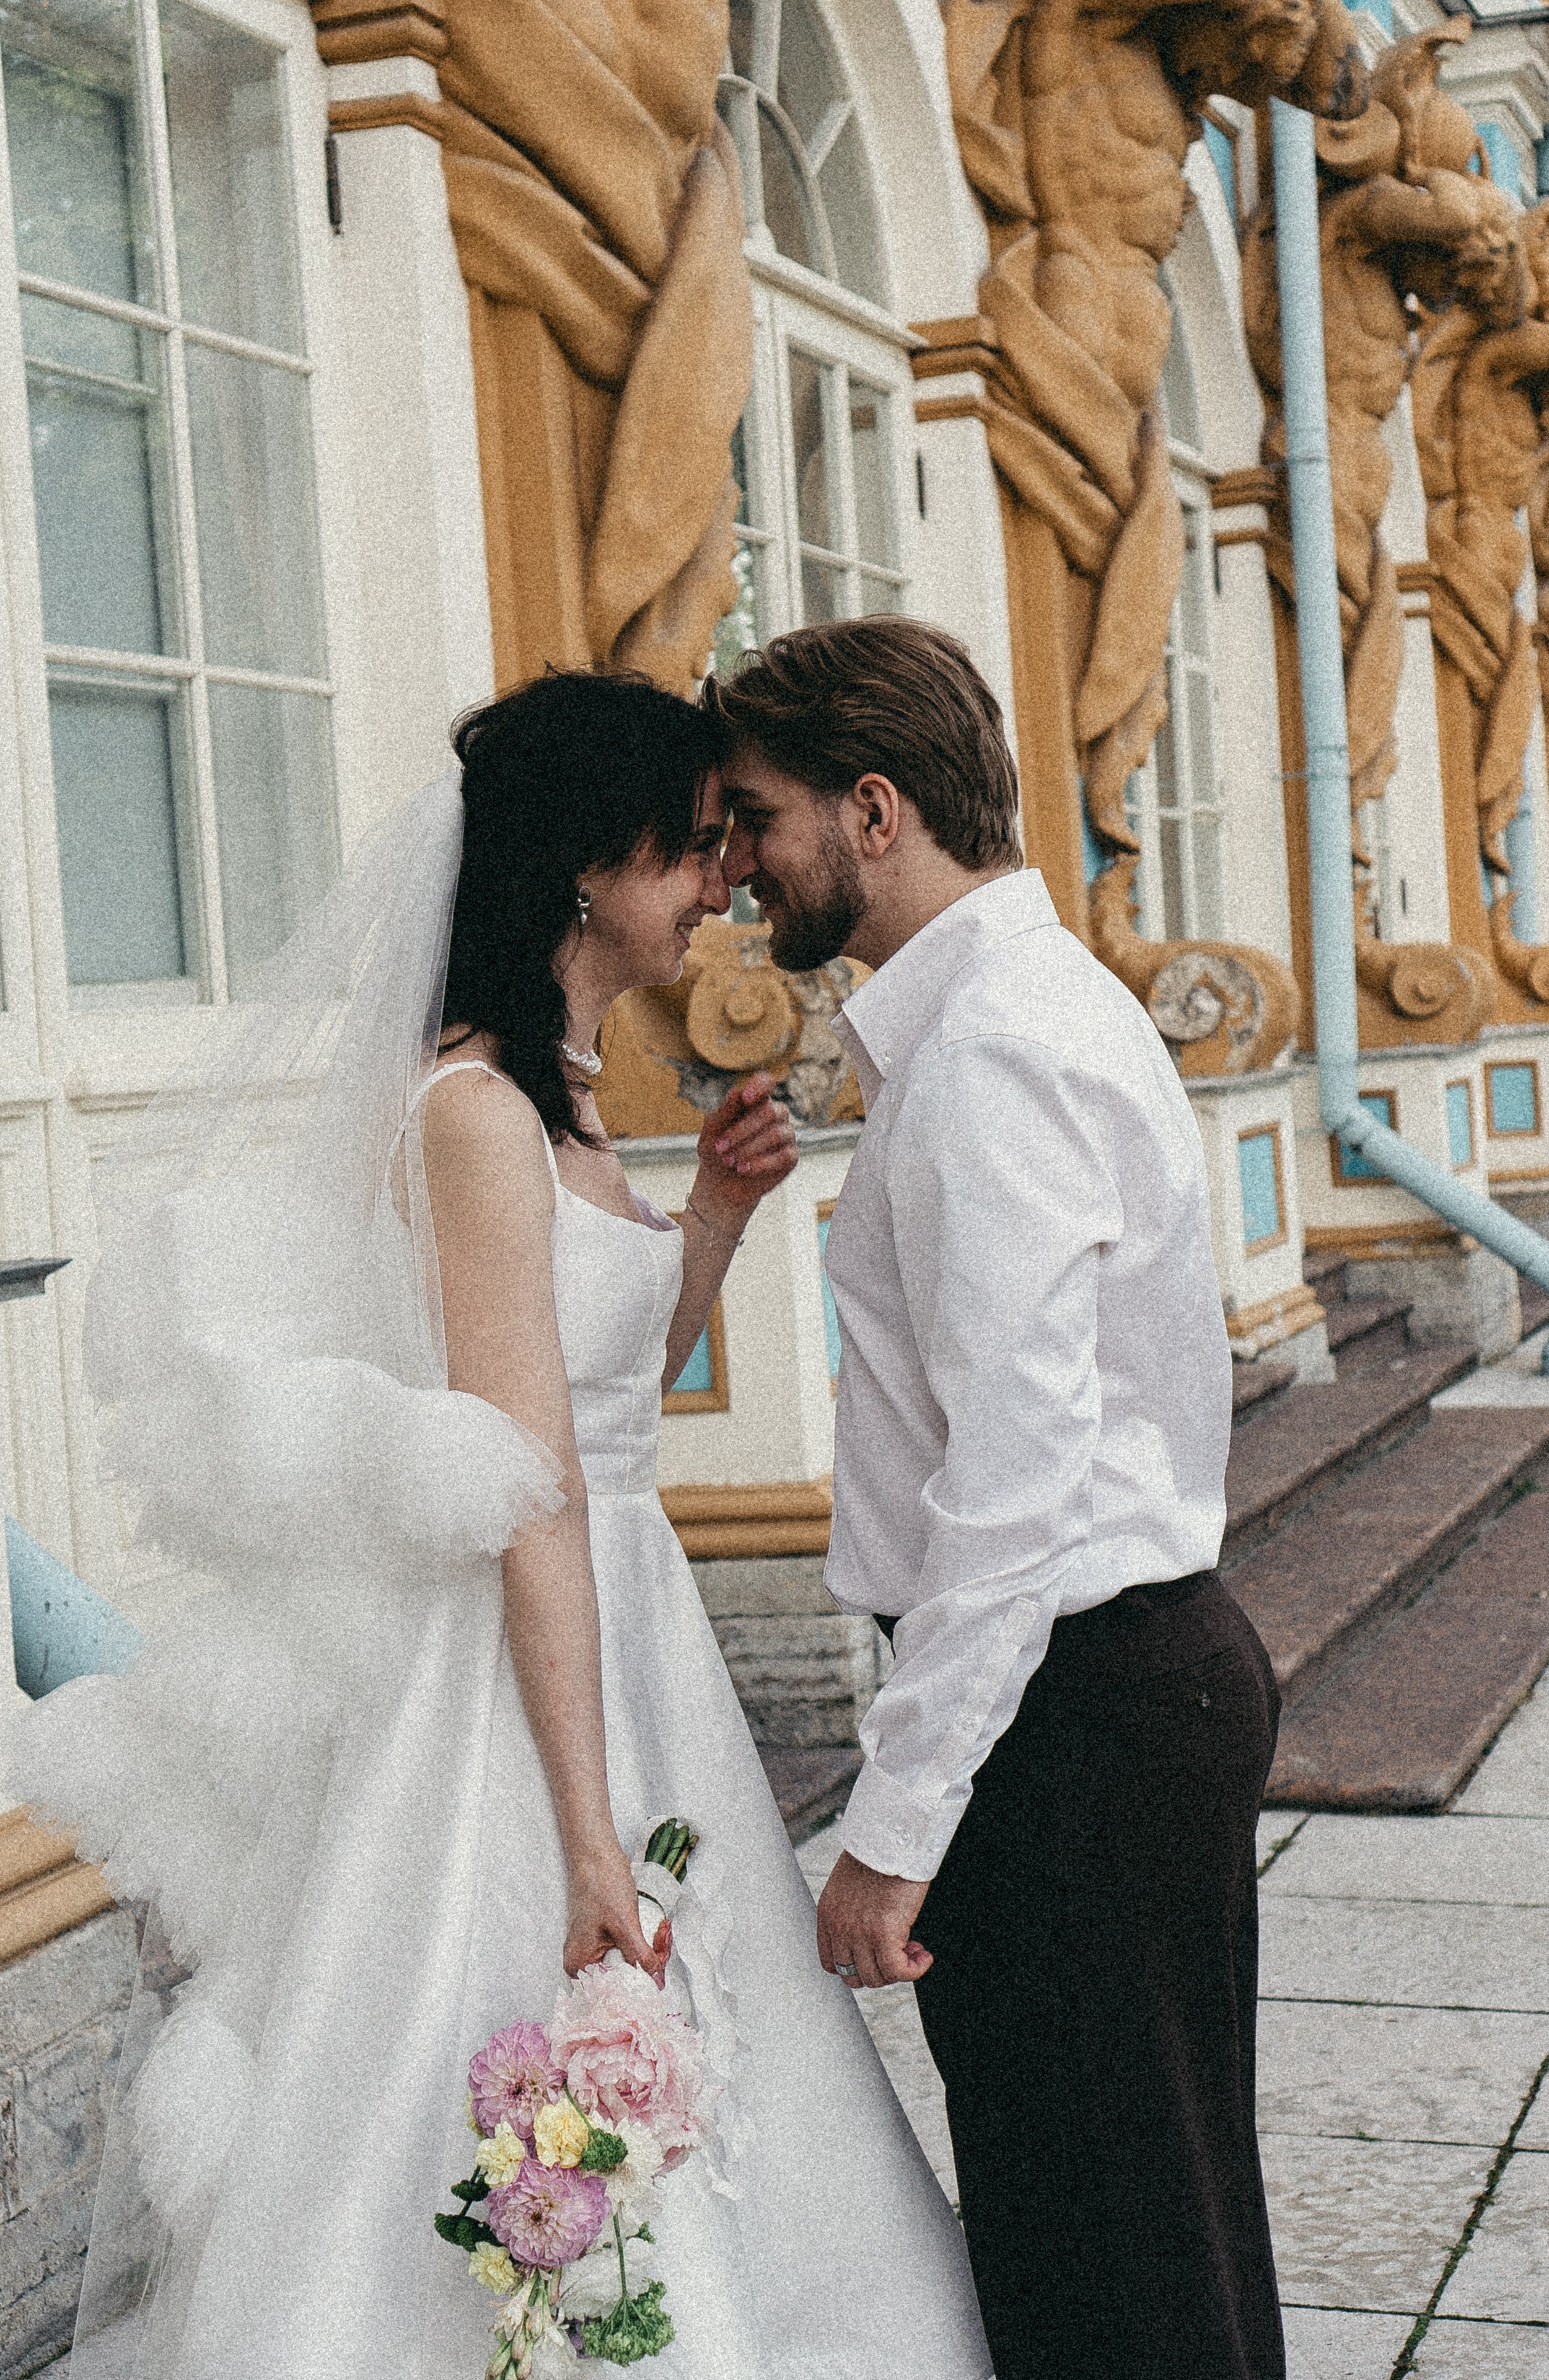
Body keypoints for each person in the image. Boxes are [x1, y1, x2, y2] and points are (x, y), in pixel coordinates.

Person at [14, 671, 991, 2380]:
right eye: (690, 853)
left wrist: (716, 1221)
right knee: (517, 2005)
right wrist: (591, 1832)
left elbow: (612, 1390)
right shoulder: (472, 1117)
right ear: (581, 871)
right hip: (525, 1654)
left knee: (720, 2055)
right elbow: (530, 1488)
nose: (719, 889)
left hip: (628, 1611)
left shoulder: (567, 1098)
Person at [709, 617, 1285, 2380]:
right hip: (1111, 1691)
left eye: (756, 819)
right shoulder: (1009, 1017)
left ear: (872, 810)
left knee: (1110, 2255)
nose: (736, 870)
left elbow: (1015, 1486)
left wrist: (893, 1827)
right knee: (1145, 2230)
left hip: (1077, 1715)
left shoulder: (992, 1055)